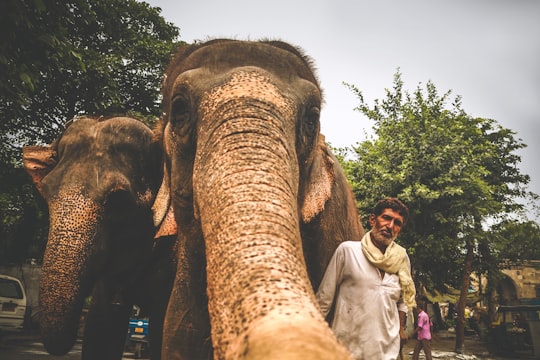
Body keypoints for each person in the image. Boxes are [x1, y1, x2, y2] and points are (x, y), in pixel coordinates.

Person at [316, 198, 416, 360]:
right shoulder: (348, 251)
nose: (390, 226)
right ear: (372, 220)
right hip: (347, 348)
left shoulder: (401, 258)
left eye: (397, 223)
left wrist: (401, 329)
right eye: (386, 218)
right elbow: (324, 298)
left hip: (387, 350)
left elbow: (403, 300)